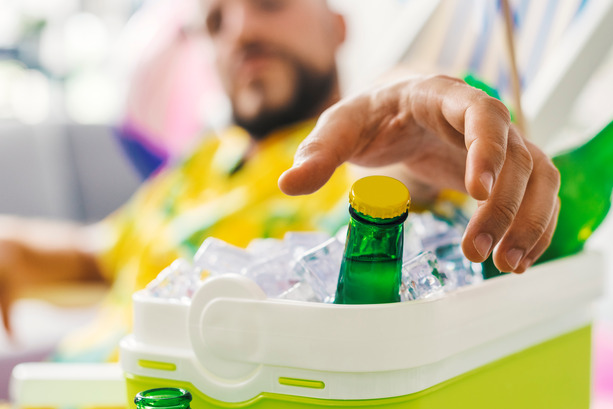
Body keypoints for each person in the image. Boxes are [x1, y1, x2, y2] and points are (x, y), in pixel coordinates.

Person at [0, 0, 560, 361]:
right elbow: (99, 256)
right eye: (216, 21)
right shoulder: (200, 163)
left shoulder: (355, 161)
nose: (241, 31)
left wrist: (406, 103)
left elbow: (400, 161)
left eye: (269, 2)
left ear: (338, 24)